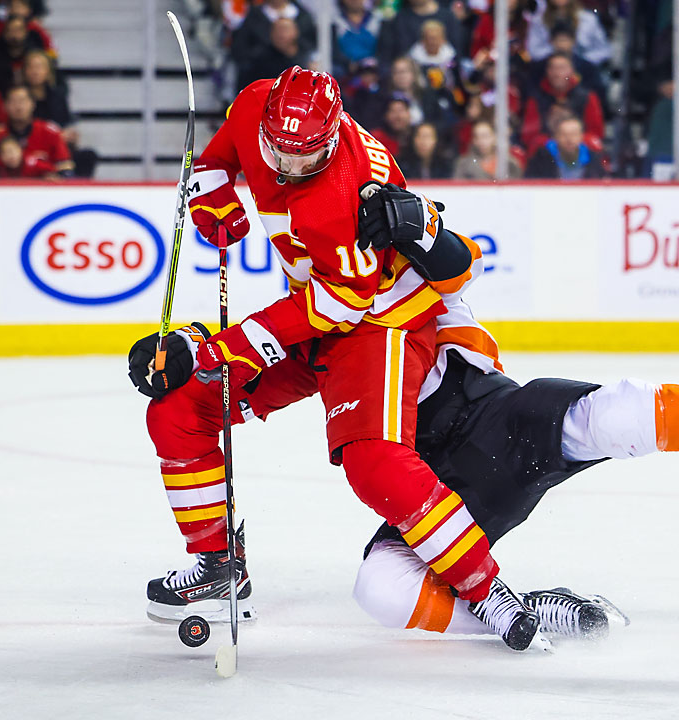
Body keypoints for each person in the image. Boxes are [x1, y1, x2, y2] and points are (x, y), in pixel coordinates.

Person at [132, 182, 679, 646]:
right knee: (377, 590)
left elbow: (453, 260)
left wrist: (414, 221)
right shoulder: (318, 343)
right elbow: (234, 386)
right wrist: (187, 358)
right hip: (438, 494)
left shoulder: (414, 284)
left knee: (615, 413)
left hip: (503, 424)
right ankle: (518, 605)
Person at [130, 66, 543, 651]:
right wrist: (214, 196)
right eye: (278, 152)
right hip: (315, 304)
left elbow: (336, 308)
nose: (287, 169)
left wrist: (217, 346)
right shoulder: (255, 105)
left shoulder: (345, 195)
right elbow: (215, 157)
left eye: (307, 158)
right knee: (178, 411)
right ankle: (218, 565)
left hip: (380, 319)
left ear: (333, 134)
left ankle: (485, 590)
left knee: (373, 464)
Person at [520, 52, 604, 153]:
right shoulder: (535, 98)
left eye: (562, 68)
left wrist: (571, 141)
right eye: (553, 68)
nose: (557, 73)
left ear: (571, 71)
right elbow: (529, 136)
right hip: (546, 151)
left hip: (580, 149)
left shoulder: (587, 97)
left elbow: (596, 133)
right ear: (547, 71)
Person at [0, 84, 73, 178]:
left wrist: (54, 177)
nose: (18, 107)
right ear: (5, 106)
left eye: (22, 101)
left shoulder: (50, 132)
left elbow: (66, 169)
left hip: (43, 190)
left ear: (33, 104)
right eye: (13, 101)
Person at [524, 115, 605, 179]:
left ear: (581, 136)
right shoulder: (541, 158)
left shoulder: (593, 158)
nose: (569, 139)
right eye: (564, 135)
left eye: (574, 134)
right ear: (555, 137)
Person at [453, 118, 523, 180]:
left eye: (485, 136)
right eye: (476, 137)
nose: (481, 141)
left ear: (494, 137)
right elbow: (458, 189)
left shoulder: (509, 164)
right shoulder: (464, 164)